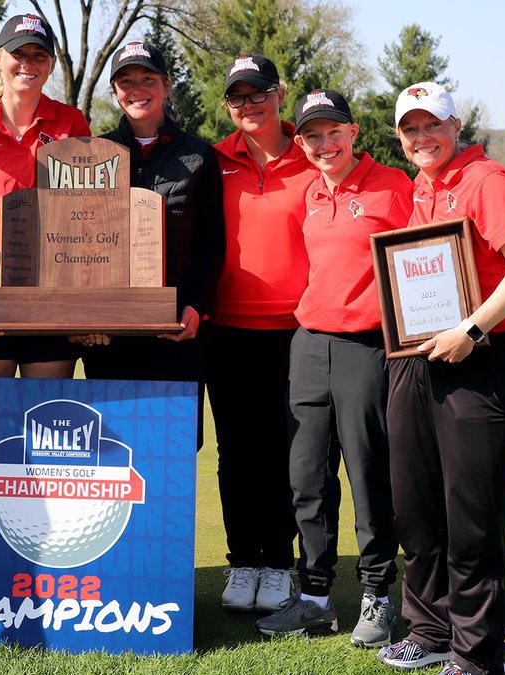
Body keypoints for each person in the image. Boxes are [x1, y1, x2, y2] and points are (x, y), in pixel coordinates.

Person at [376, 82, 505, 675]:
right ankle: (429, 629)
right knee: (417, 509)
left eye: (433, 125)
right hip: (416, 362)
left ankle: (477, 654)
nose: (423, 138)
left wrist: (471, 330)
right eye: (410, 129)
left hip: (480, 361)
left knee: (471, 514)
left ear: (456, 125)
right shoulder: (422, 187)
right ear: (400, 137)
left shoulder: (488, 181)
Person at [254, 89, 409, 647]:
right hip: (309, 342)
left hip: (367, 347)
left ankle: (377, 597)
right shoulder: (310, 192)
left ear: (354, 131)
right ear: (301, 141)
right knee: (307, 478)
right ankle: (315, 597)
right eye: (312, 134)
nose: (324, 143)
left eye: (333, 131)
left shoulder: (396, 187)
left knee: (368, 475)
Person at [207, 54, 319, 613]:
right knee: (237, 452)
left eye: (258, 95)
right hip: (224, 328)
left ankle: (278, 562)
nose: (248, 106)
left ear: (280, 95)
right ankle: (242, 561)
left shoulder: (313, 156)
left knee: (285, 452)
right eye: (237, 97)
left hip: (296, 331)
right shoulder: (215, 158)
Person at [80, 41, 224, 440]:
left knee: (172, 447)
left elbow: (213, 244)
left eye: (147, 78)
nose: (137, 88)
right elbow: (81, 243)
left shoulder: (199, 155)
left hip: (176, 329)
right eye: (126, 81)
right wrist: (83, 316)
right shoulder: (95, 153)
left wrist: (196, 306)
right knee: (110, 448)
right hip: (109, 335)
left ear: (166, 84)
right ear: (115, 90)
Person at [0, 13, 91, 378]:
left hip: (51, 289)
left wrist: (80, 303)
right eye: (17, 53)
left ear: (52, 64)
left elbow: (84, 221)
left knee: (45, 424)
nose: (27, 64)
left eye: (38, 55)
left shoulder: (71, 122)